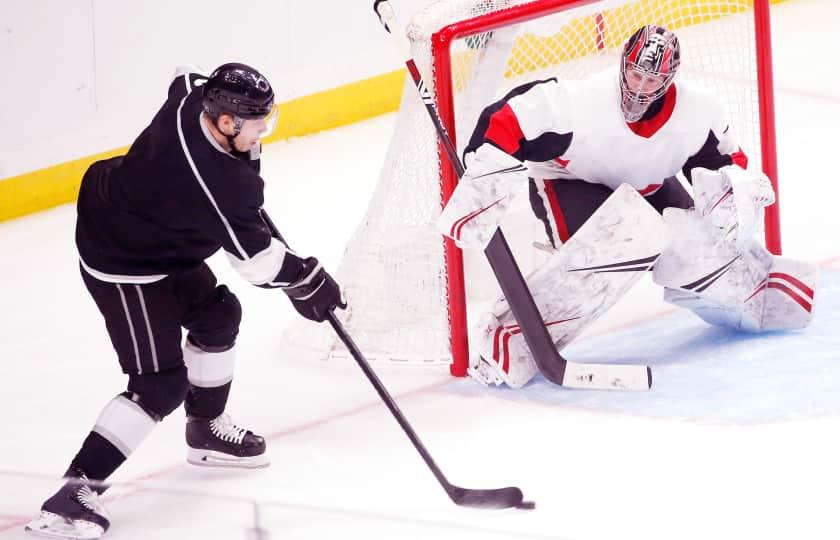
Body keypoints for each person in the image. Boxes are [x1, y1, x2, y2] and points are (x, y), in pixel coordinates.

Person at [25, 63, 345, 539]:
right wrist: (307, 279)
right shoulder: (216, 181)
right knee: (159, 384)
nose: (264, 132)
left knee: (218, 316)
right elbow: (257, 263)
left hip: (153, 226)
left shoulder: (195, 97)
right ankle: (72, 495)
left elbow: (184, 73)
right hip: (123, 258)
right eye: (257, 123)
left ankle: (206, 430)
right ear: (224, 122)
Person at [436, 25, 817, 388]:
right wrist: (484, 162)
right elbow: (508, 117)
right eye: (634, 75)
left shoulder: (698, 113)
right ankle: (508, 338)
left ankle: (760, 293)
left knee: (696, 246)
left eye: (651, 81)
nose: (639, 88)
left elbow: (725, 164)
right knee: (619, 244)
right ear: (622, 66)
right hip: (569, 180)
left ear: (669, 81)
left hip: (648, 182)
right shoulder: (580, 103)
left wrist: (736, 193)